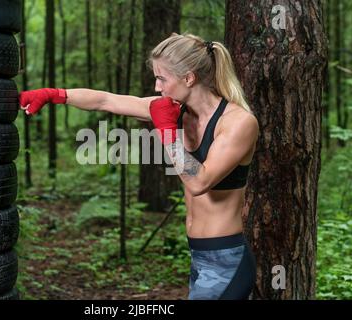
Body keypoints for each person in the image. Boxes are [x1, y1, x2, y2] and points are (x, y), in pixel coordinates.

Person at [19, 33, 259, 300]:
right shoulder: (177, 111)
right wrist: (55, 95)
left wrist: (167, 132)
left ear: (189, 78)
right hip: (199, 257)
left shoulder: (238, 122)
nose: (157, 87)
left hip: (226, 261)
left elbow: (199, 182)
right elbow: (106, 101)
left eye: (162, 78)